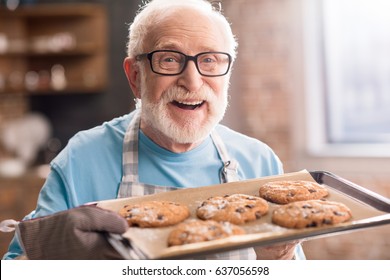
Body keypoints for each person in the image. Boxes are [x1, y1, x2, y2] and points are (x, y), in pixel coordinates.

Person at [2, 0, 304, 260]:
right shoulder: (81, 158)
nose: (193, 81)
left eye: (209, 60)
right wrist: (62, 257)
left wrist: (277, 262)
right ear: (136, 75)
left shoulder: (260, 163)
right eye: (169, 59)